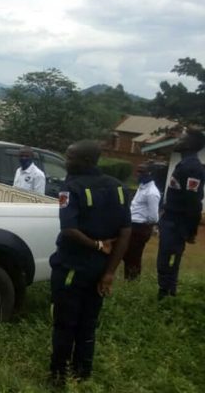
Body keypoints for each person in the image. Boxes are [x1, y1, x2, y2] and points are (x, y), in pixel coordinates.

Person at [49, 140, 131, 383]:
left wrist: (95, 245)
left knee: (65, 323)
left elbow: (69, 230)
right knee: (88, 322)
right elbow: (125, 232)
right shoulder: (118, 187)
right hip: (100, 269)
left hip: (72, 268)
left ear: (85, 161)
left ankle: (58, 376)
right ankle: (82, 373)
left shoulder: (71, 188)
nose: (66, 162)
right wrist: (109, 273)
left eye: (70, 157)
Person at [157, 129, 205, 299]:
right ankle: (166, 295)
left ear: (190, 145)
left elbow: (193, 202)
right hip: (170, 220)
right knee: (165, 261)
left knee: (168, 263)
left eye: (182, 138)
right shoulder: (184, 164)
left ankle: (167, 298)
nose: (177, 140)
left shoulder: (192, 168)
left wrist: (191, 230)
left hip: (177, 224)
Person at [122, 162, 160, 280]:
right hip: (131, 225)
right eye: (137, 171)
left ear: (150, 174)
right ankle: (128, 279)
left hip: (140, 227)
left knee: (133, 257)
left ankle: (132, 282)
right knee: (126, 255)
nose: (138, 174)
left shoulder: (152, 193)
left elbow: (154, 217)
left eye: (141, 172)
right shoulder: (142, 187)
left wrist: (142, 223)